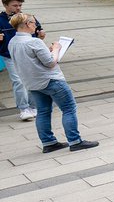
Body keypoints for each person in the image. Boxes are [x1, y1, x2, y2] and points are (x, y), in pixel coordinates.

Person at [6, 13, 99, 152]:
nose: (36, 25)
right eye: (33, 22)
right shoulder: (34, 41)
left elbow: (32, 59)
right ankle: (75, 141)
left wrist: (48, 52)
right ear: (27, 24)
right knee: (68, 108)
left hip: (33, 83)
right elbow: (50, 63)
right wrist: (56, 49)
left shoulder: (13, 42)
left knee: (43, 112)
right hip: (51, 81)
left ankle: (48, 143)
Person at [1, 0, 43, 121]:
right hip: (10, 55)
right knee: (18, 81)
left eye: (20, 5)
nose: (18, 8)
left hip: (28, 54)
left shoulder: (28, 18)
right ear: (5, 5)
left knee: (31, 79)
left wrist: (41, 33)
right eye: (15, 5)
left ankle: (33, 106)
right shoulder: (0, 19)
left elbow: (38, 30)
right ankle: (24, 108)